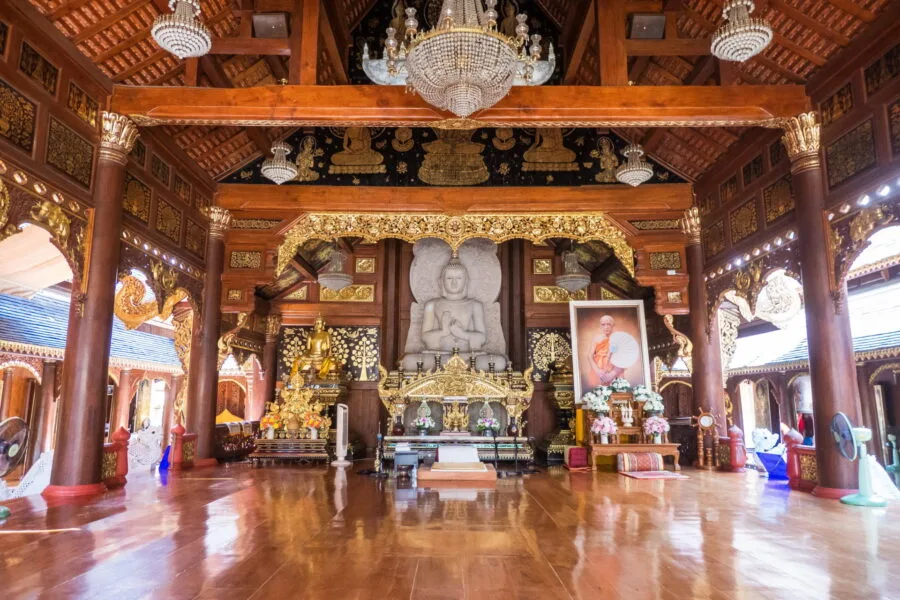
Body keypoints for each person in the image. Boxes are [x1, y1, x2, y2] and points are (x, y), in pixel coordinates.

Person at [588, 315, 638, 385]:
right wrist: (597, 371)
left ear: (613, 325)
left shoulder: (618, 338)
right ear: (600, 326)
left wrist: (611, 374)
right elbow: (589, 356)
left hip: (614, 371)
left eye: (608, 324)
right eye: (603, 324)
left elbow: (623, 359)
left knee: (615, 392)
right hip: (599, 371)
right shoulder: (597, 338)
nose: (606, 327)